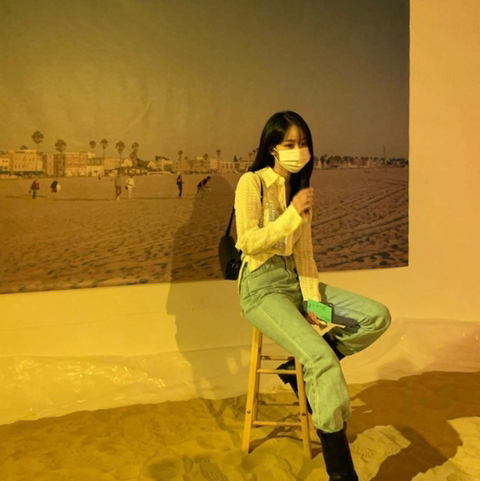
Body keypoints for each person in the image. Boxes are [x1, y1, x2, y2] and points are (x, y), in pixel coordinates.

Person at [234, 111, 391, 481]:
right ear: (272, 147)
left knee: (376, 317)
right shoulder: (252, 183)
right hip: (260, 288)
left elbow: (304, 256)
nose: (298, 150)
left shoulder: (300, 192)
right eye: (289, 143)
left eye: (303, 143)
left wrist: (311, 303)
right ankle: (341, 473)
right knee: (321, 359)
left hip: (296, 285)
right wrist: (290, 215)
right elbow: (248, 242)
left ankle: (302, 370)